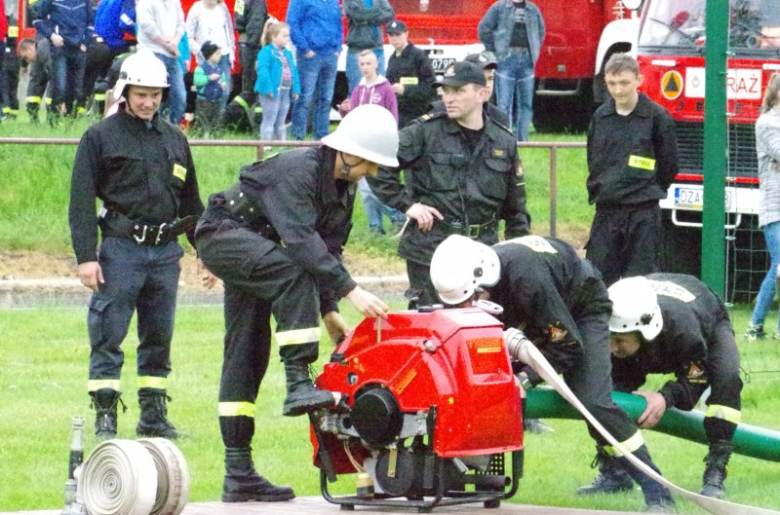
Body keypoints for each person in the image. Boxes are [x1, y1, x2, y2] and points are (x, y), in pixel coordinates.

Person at [194, 104, 397, 503]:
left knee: (246, 353)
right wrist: (351, 291)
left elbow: (329, 248)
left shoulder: (344, 185)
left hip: (259, 251)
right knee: (293, 271)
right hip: (224, 235)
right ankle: (298, 381)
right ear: (349, 153)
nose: (372, 173)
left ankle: (239, 473)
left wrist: (329, 310)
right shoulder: (299, 170)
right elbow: (302, 243)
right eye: (370, 164)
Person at [429, 234, 675, 512]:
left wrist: (524, 379)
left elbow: (567, 345)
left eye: (472, 299)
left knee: (594, 402)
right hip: (541, 315)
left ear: (485, 280)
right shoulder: (467, 276)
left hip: (581, 311)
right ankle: (464, 474)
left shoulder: (527, 281)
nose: (466, 308)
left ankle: (658, 494)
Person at [69, 50, 216, 440]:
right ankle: (105, 417)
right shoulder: (99, 137)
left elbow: (192, 204)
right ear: (124, 91)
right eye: (140, 95)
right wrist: (86, 257)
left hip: (166, 254)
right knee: (108, 333)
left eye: (155, 95)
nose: (148, 102)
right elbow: (81, 201)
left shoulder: (175, 139)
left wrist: (205, 252)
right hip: (121, 250)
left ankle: (153, 418)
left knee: (158, 337)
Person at [370, 60, 529, 307]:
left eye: (458, 91)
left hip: (482, 251)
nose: (449, 98)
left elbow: (516, 209)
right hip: (432, 248)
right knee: (431, 332)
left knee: (480, 330)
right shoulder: (426, 131)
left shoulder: (503, 141)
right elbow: (378, 162)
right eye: (446, 91)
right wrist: (408, 205)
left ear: (482, 93)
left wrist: (519, 256)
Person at [607, 274, 742, 498]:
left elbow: (696, 379)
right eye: (609, 337)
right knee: (609, 395)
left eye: (620, 340)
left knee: (727, 378)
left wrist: (665, 397)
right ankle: (613, 470)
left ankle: (716, 470)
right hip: (661, 312)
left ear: (645, 330)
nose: (612, 347)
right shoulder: (616, 321)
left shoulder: (684, 331)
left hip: (707, 315)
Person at [585, 53, 678, 287]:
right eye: (612, 83)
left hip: (643, 213)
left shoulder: (657, 117)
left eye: (624, 83)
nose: (618, 90)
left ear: (639, 80)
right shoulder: (601, 117)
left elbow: (669, 165)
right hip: (607, 212)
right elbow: (593, 160)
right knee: (596, 282)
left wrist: (648, 188)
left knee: (640, 283)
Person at [339, 49, 404, 235]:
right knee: (365, 190)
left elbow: (393, 114)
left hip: (379, 142)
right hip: (361, 143)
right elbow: (354, 115)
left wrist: (391, 138)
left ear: (376, 64)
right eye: (362, 64)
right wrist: (345, 111)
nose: (365, 67)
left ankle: (398, 216)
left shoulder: (385, 88)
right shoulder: (358, 90)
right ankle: (375, 227)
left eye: (369, 63)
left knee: (375, 188)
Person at [478, 0, 545, 142]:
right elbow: (484, 28)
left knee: (526, 104)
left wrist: (534, 51)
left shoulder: (533, 9)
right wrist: (494, 49)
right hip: (505, 59)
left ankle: (523, 140)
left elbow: (541, 32)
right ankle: (505, 139)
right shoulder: (499, 7)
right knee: (504, 104)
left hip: (527, 60)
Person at [747, 73, 780, 340]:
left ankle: (757, 325)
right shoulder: (767, 122)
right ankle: (760, 326)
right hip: (775, 207)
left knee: (777, 267)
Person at [286, 0, 342, 140]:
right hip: (310, 55)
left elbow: (338, 24)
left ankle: (322, 139)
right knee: (304, 98)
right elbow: (292, 23)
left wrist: (338, 47)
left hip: (330, 55)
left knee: (326, 99)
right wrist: (304, 48)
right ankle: (298, 138)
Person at [32, 0, 93, 118]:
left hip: (79, 49)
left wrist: (85, 42)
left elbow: (91, 23)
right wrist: (52, 36)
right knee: (59, 87)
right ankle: (54, 120)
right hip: (60, 48)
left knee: (76, 89)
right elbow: (38, 20)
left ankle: (70, 121)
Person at [136, 0, 187, 125]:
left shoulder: (175, 2)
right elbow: (148, 27)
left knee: (180, 97)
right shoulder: (145, 3)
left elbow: (181, 24)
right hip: (151, 54)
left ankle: (172, 130)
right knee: (152, 97)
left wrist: (175, 42)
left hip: (172, 56)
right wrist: (168, 44)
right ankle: (151, 129)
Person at [429, 52, 508, 127]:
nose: (487, 85)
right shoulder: (439, 113)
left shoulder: (498, 118)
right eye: (481, 78)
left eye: (490, 78)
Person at [384, 19, 436, 128]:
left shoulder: (419, 56)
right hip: (397, 114)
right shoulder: (392, 59)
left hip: (416, 115)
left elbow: (431, 86)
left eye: (398, 34)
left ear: (406, 34)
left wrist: (406, 89)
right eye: (390, 34)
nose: (394, 38)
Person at [254, 18, 299, 141]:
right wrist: (268, 87)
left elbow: (293, 71)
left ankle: (282, 143)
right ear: (273, 37)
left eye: (287, 36)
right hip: (271, 91)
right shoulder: (266, 52)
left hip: (285, 90)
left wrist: (296, 88)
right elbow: (262, 71)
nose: (287, 39)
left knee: (281, 119)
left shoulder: (288, 54)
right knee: (270, 117)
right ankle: (266, 144)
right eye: (284, 36)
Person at [186, 0, 235, 110]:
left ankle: (218, 121)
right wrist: (201, 51)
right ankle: (206, 122)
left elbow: (229, 30)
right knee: (207, 92)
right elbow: (187, 36)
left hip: (223, 56)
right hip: (206, 60)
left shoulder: (222, 7)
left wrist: (231, 52)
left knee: (224, 91)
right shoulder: (196, 9)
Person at [343, 0, 394, 95]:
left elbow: (390, 14)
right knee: (357, 92)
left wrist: (367, 16)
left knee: (380, 92)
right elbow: (358, 16)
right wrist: (378, 11)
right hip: (358, 51)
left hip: (378, 51)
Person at [232, 0, 266, 116]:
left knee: (249, 91)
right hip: (252, 46)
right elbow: (255, 25)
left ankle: (227, 118)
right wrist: (257, 51)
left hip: (244, 44)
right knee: (255, 90)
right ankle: (226, 117)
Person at [193, 41, 227, 138]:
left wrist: (223, 84)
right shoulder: (200, 69)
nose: (219, 56)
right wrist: (208, 78)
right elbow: (197, 81)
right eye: (217, 53)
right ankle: (197, 136)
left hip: (217, 99)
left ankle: (216, 137)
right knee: (202, 119)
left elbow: (223, 78)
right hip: (204, 100)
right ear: (209, 54)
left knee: (217, 119)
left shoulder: (219, 69)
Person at [18, 37, 53, 124]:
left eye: (26, 57)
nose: (28, 61)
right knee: (32, 94)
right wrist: (24, 66)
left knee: (52, 95)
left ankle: (52, 122)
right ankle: (34, 120)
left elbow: (53, 74)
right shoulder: (38, 53)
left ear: (30, 49)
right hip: (41, 55)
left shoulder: (43, 52)